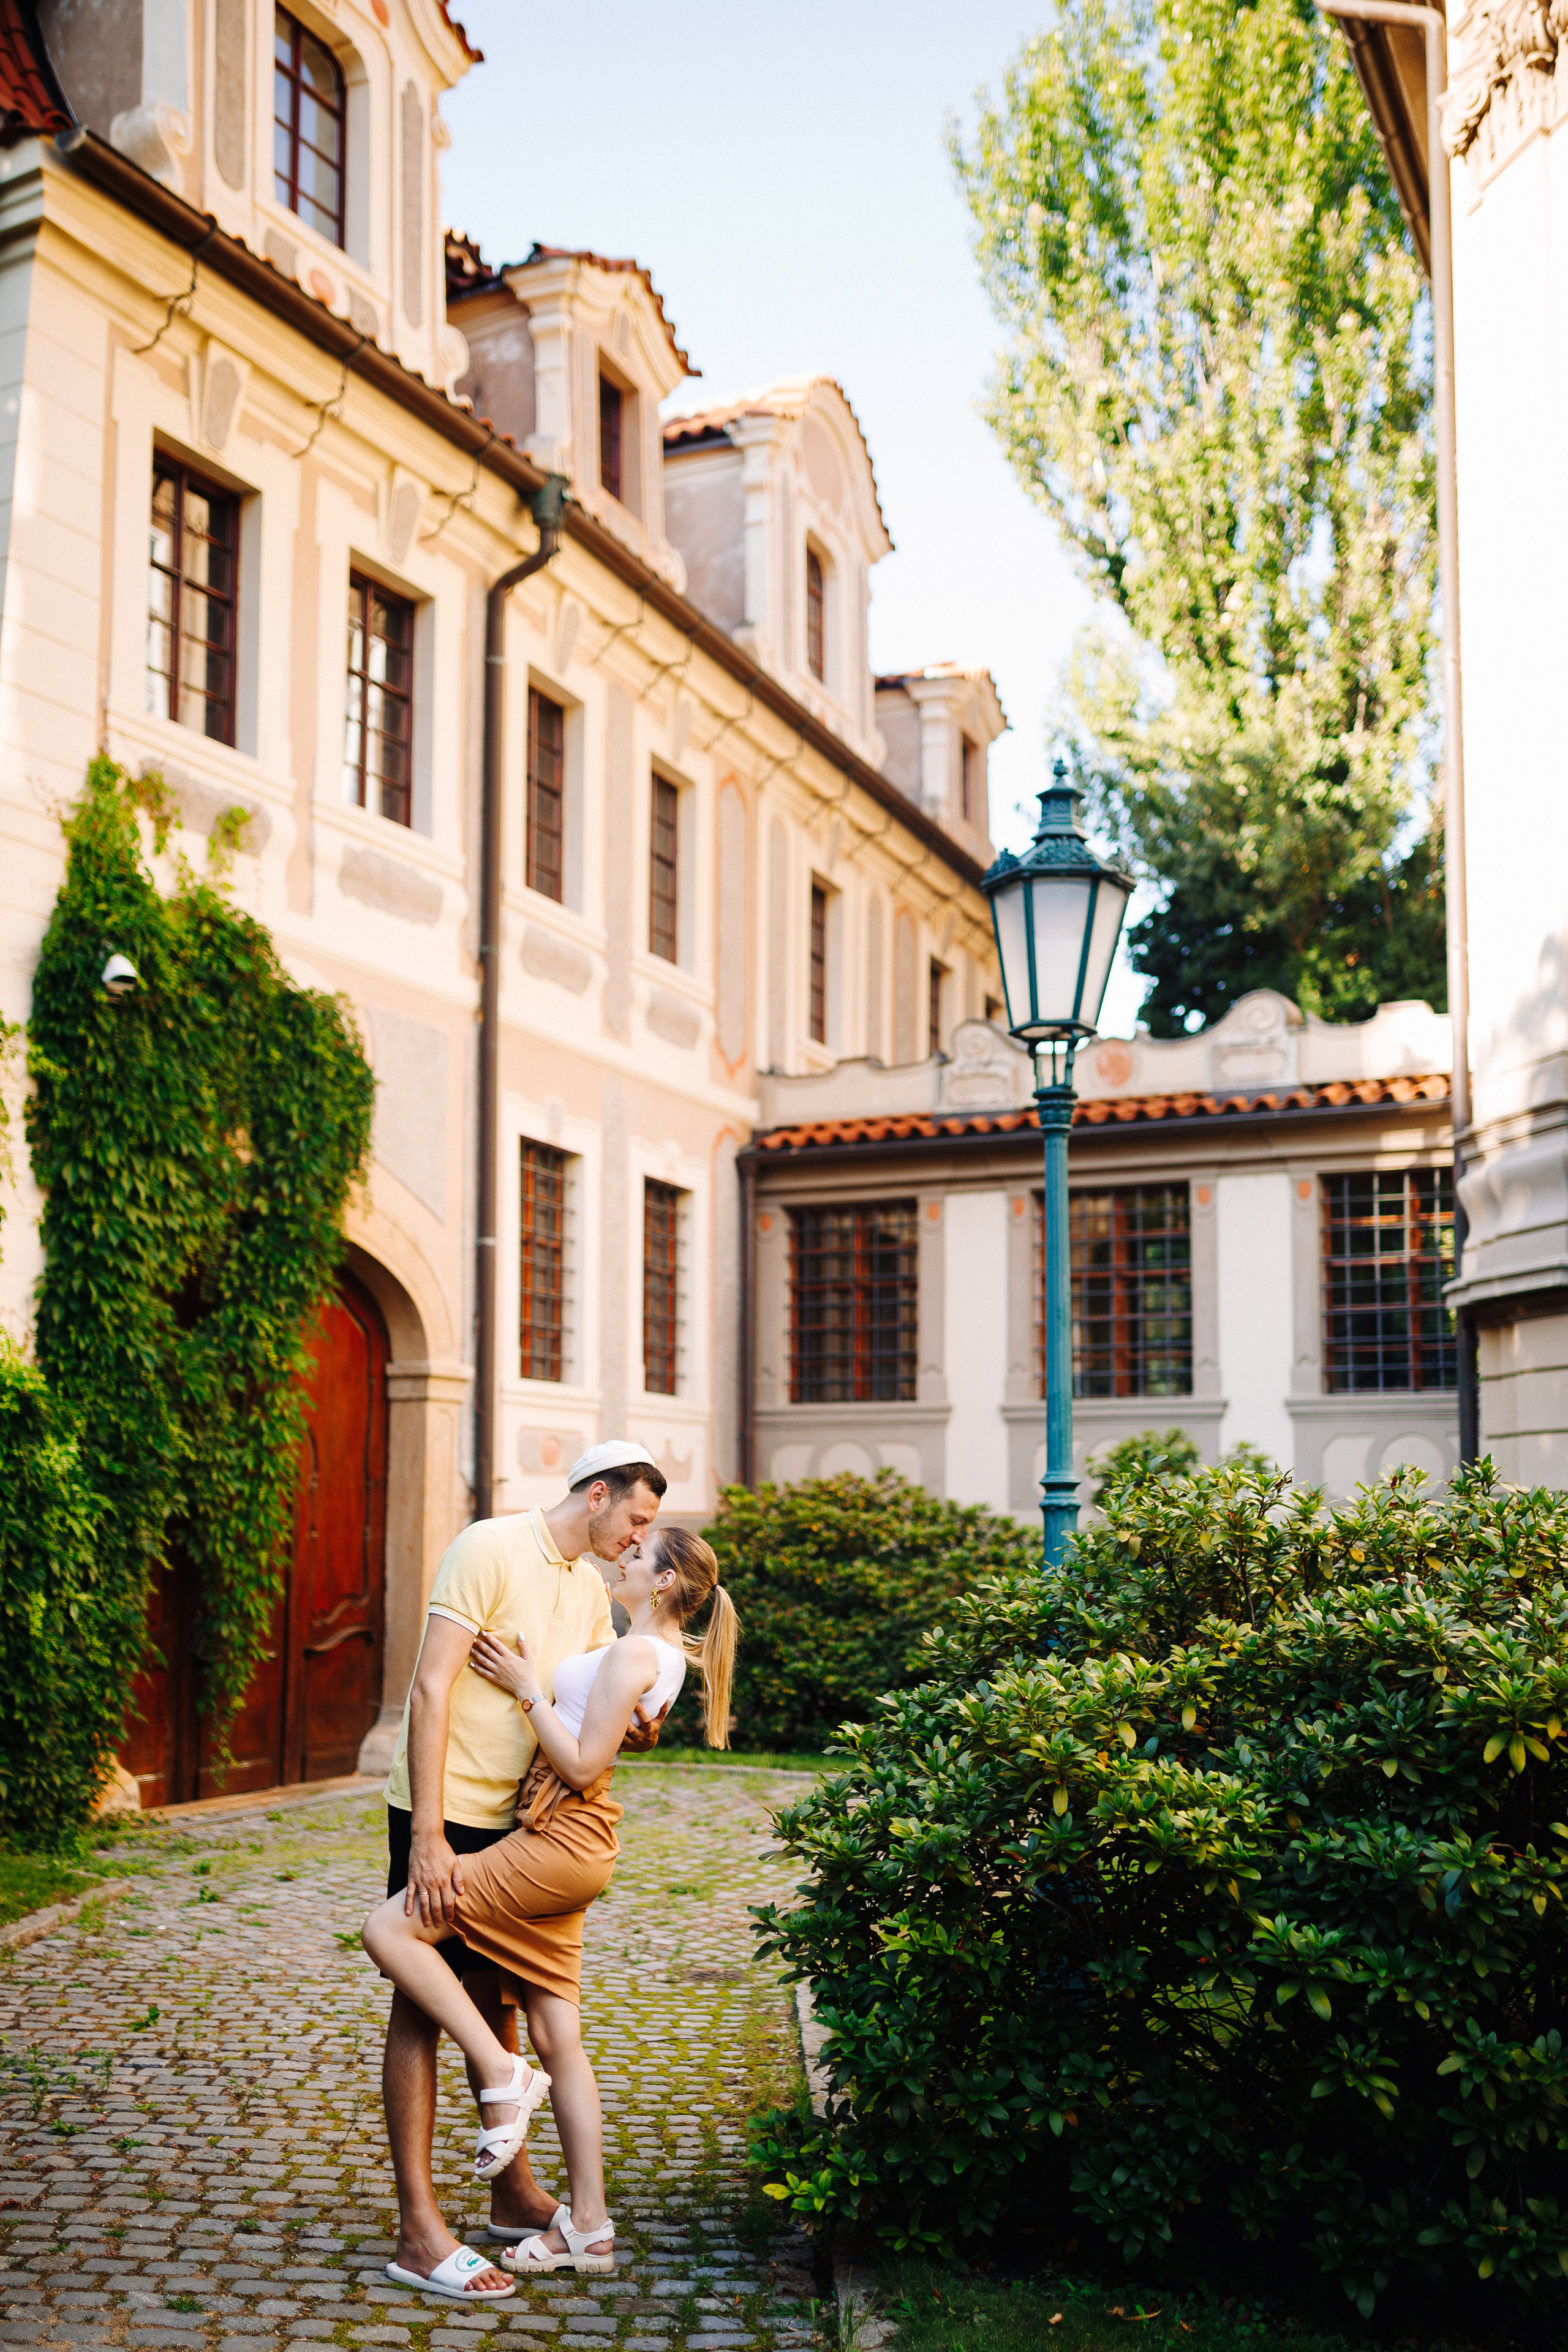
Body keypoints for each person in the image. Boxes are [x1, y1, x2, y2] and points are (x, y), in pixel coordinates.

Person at [364, 1523, 739, 2293]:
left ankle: (503, 2073)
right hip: (565, 1838)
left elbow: (580, 1761)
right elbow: (606, 1728)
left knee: (389, 1929)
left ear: (664, 1583)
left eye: (639, 1554)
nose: (625, 1555)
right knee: (556, 2033)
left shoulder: (639, 1650)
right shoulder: (636, 1647)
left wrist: (526, 1686)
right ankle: (589, 2229)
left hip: (558, 1838)